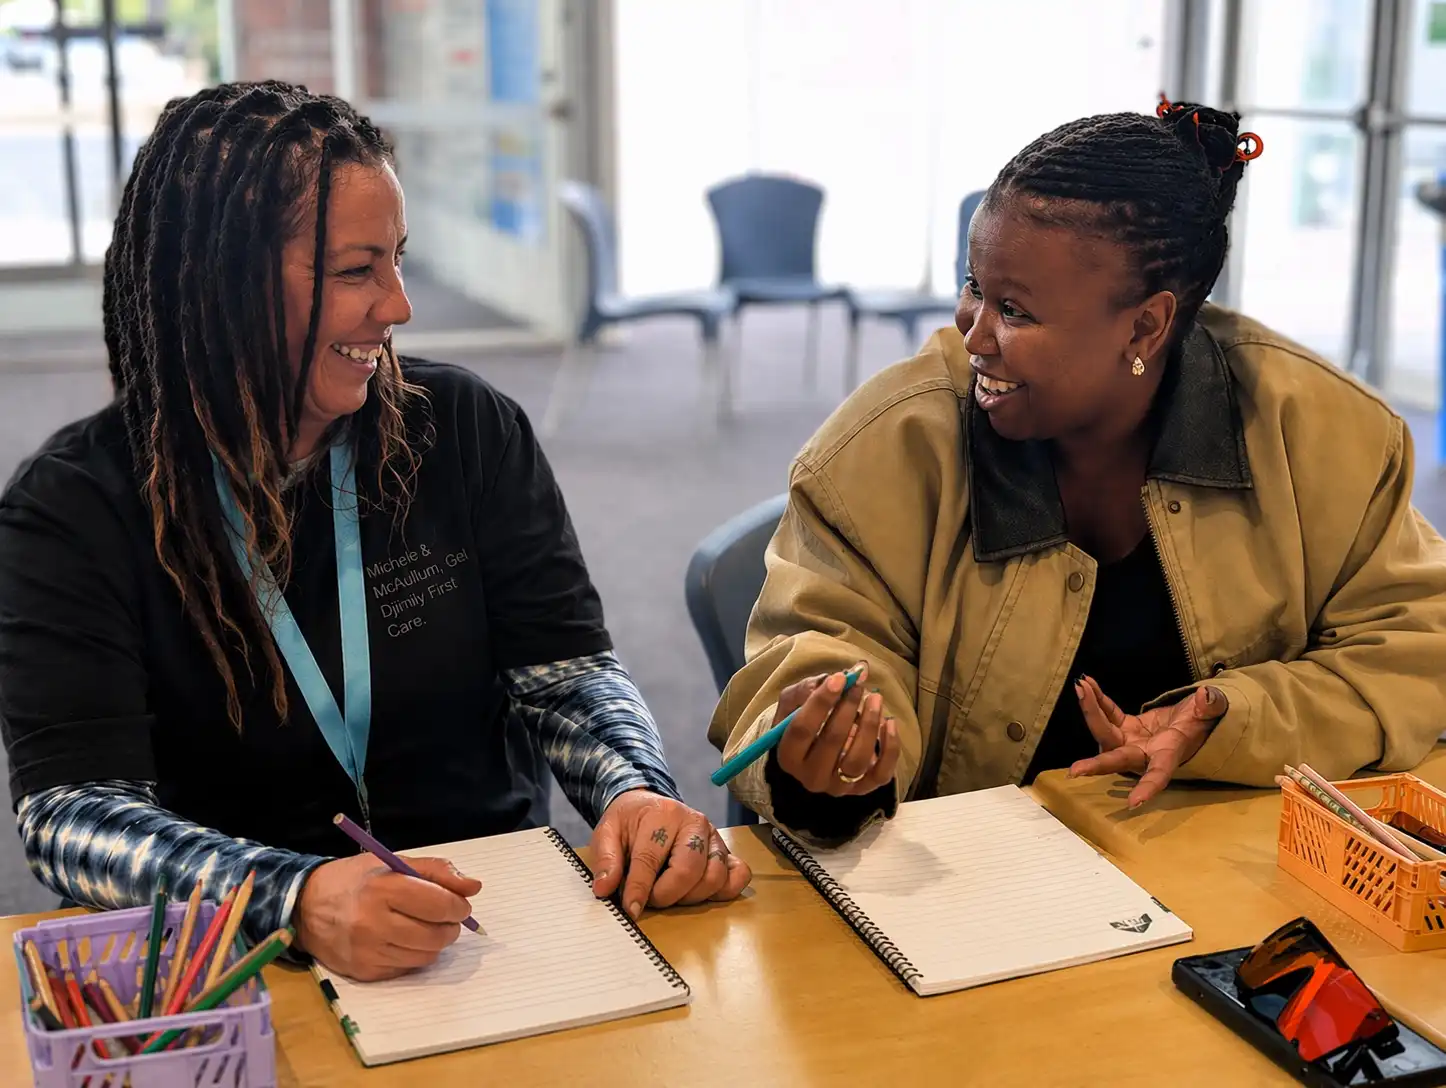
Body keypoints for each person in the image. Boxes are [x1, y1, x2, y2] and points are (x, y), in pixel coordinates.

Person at [0, 81, 749, 982]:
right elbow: (75, 818)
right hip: (248, 963)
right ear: (221, 286)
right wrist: (293, 898)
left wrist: (632, 790)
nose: (397, 307)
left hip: (493, 931)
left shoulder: (464, 428)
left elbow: (568, 675)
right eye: (357, 271)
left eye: (398, 260)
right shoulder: (74, 509)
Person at [708, 97, 1446, 847]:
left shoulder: (1316, 429)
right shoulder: (888, 444)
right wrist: (839, 751)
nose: (976, 336)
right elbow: (817, 647)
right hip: (970, 890)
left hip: (1222, 867)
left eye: (1017, 312)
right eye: (975, 289)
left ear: (1146, 326)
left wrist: (1228, 716)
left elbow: (1416, 649)